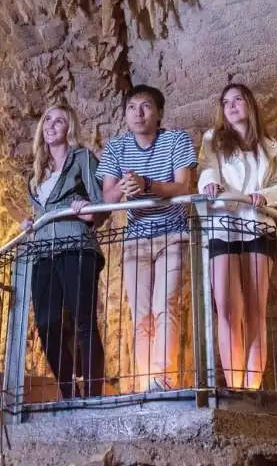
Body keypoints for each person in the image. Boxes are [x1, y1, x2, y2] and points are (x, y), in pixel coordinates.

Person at [96, 85, 197, 392]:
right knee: (140, 313)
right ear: (125, 114)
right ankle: (144, 383)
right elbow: (107, 197)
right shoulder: (116, 147)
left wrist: (148, 184)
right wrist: (126, 187)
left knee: (165, 306)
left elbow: (183, 188)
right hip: (135, 240)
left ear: (159, 113)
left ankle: (163, 380)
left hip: (172, 234)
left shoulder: (176, 139)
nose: (138, 113)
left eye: (146, 107)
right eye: (131, 108)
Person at [197, 83, 277, 390]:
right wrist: (209, 183)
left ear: (249, 104)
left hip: (257, 223)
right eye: (226, 102)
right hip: (223, 223)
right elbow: (206, 168)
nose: (231, 106)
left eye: (237, 100)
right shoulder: (213, 139)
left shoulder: (268, 145)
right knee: (227, 307)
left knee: (255, 309)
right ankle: (235, 385)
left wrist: (261, 196)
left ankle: (251, 386)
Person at [21, 106, 107, 398]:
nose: (51, 125)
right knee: (46, 323)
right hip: (44, 252)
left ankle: (94, 392)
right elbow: (42, 210)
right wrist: (30, 223)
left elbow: (101, 205)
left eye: (59, 120)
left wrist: (88, 212)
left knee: (83, 321)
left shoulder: (82, 159)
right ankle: (70, 392)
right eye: (47, 119)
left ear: (69, 128)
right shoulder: (36, 175)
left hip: (76, 247)